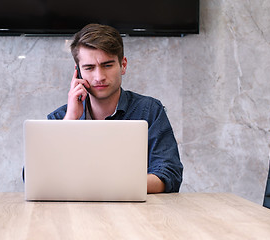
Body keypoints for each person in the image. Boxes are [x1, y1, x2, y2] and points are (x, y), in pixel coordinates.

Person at [47, 23, 183, 193]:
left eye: (107, 65)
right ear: (78, 72)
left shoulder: (149, 111)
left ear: (123, 65)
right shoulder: (59, 118)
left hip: (136, 214)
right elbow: (34, 177)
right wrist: (70, 120)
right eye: (89, 68)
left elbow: (169, 175)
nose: (99, 77)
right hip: (74, 214)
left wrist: (103, 185)